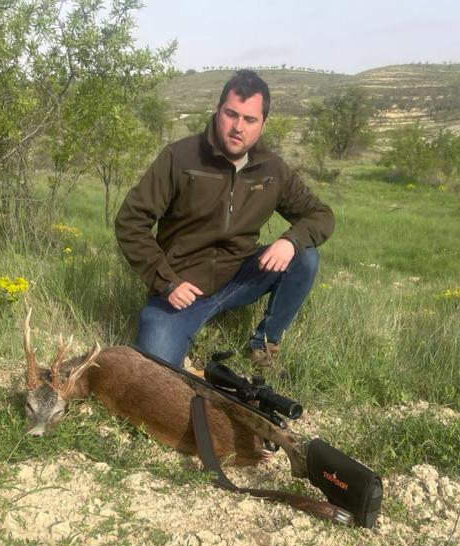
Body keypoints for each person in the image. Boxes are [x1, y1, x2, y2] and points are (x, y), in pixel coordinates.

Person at [115, 69, 334, 368]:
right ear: (218, 112)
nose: (238, 127)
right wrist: (166, 283)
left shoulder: (272, 169)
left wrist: (290, 241)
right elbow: (130, 221)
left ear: (263, 124)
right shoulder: (180, 158)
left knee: (305, 256)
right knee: (154, 370)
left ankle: (264, 344)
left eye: (249, 119)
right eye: (231, 114)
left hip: (241, 277)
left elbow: (321, 214)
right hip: (181, 290)